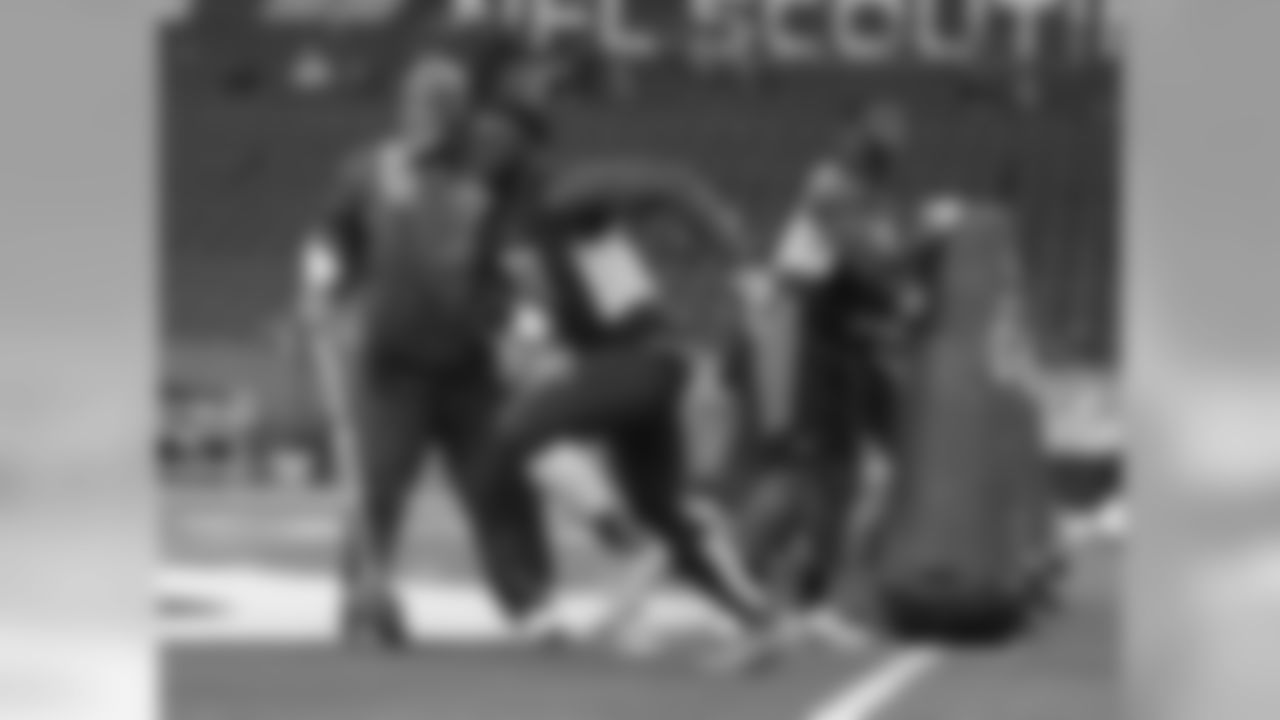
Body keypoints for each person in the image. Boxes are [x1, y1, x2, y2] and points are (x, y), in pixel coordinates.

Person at [473, 164, 789, 671]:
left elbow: (670, 186)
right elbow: (532, 306)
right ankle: (756, 619)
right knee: (663, 511)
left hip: (635, 363)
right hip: (653, 366)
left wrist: (736, 257)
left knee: (508, 438)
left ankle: (608, 553)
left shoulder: (565, 206)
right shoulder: (523, 236)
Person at [298, 51, 559, 650]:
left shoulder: (494, 166)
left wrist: (528, 321)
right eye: (419, 104)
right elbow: (330, 238)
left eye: (441, 107)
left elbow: (517, 253)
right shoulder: (368, 170)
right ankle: (365, 598)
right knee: (379, 484)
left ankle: (531, 600)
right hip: (394, 364)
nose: (426, 118)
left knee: (497, 480)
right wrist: (320, 284)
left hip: (471, 362)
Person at [744, 103, 925, 650]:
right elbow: (865, 263)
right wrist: (916, 274)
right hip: (803, 336)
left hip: (843, 342)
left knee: (891, 454)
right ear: (850, 134)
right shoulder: (832, 185)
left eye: (900, 133)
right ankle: (806, 599)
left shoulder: (871, 198)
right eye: (882, 132)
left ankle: (808, 582)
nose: (893, 143)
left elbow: (879, 273)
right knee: (826, 474)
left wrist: (904, 294)